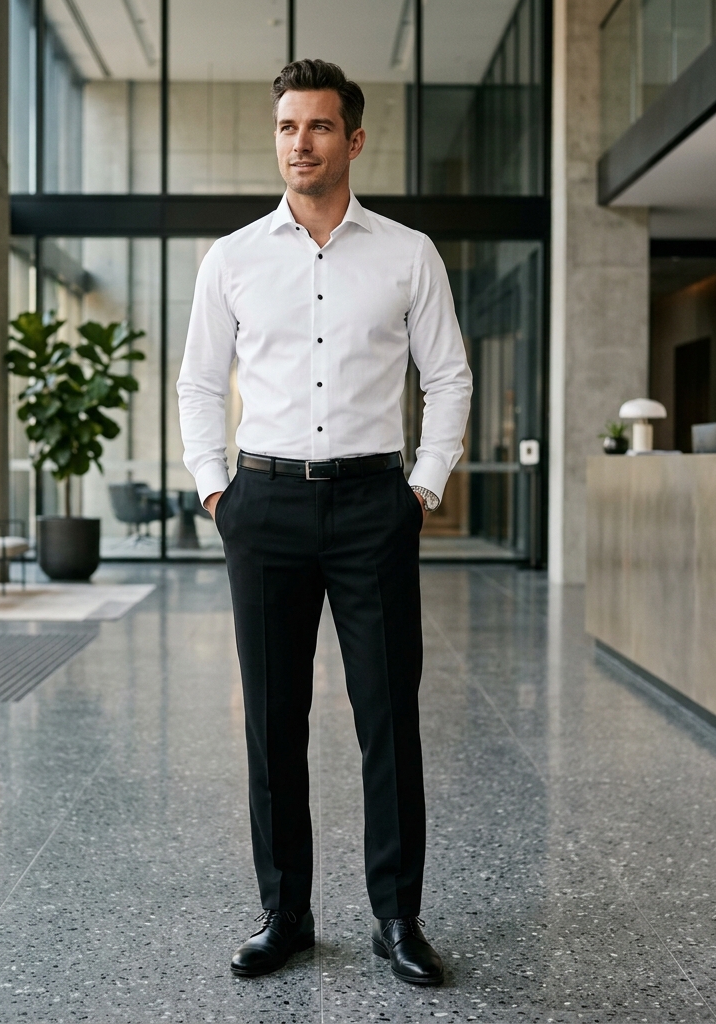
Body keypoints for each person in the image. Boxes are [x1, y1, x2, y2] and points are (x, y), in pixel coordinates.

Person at [176, 58, 472, 986]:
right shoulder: (231, 258)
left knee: (389, 718)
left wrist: (421, 487)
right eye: (285, 127)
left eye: (316, 126)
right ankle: (286, 913)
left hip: (369, 507)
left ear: (354, 138)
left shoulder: (407, 253)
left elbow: (450, 377)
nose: (298, 143)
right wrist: (215, 490)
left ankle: (396, 918)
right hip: (262, 505)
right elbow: (196, 383)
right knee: (274, 722)